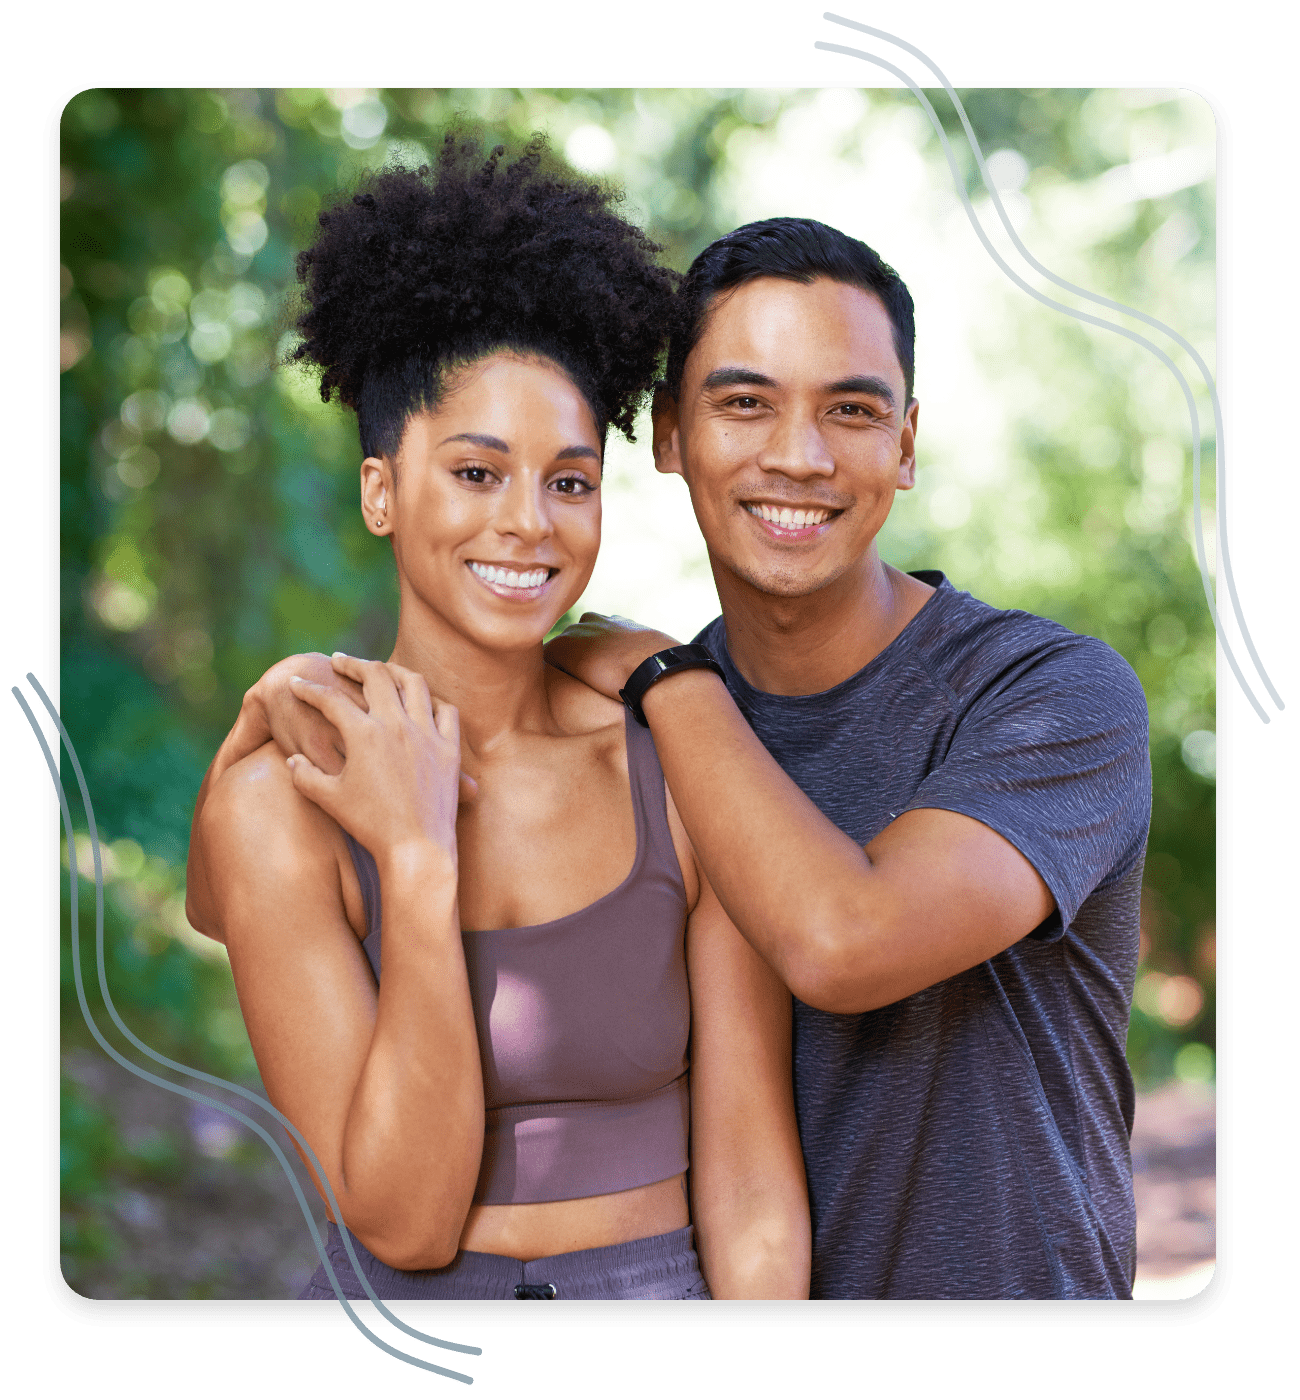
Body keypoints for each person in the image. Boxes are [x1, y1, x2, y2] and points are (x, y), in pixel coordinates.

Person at [197, 214, 1151, 1301]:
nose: (797, 452)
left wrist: (662, 675)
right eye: (745, 402)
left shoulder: (1032, 695)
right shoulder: (676, 721)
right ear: (669, 434)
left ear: (906, 441)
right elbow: (246, 891)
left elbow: (843, 940)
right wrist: (256, 780)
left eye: (851, 407)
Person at [185, 140, 810, 1302]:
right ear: (383, 489)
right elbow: (405, 1222)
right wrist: (415, 862)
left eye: (569, 481)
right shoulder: (283, 803)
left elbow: (750, 1172)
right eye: (477, 473)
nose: (529, 523)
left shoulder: (674, 759)